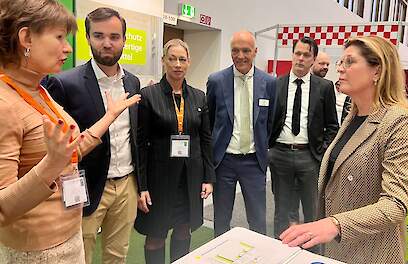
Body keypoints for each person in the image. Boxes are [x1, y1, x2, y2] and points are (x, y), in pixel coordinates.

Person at [0, 0, 139, 263]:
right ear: (26, 37)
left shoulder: (38, 91)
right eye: (60, 37)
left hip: (67, 234)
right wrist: (51, 164)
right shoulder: (5, 104)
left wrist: (108, 117)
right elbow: (3, 208)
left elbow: (68, 151)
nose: (67, 48)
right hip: (38, 250)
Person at [280, 36, 408, 264]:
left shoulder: (400, 122)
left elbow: (395, 205)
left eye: (349, 62)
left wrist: (335, 224)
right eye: (341, 62)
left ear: (377, 71)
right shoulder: (353, 116)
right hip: (338, 250)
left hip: (371, 253)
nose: (339, 68)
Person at [47, 7, 140, 264]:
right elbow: (56, 148)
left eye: (114, 36)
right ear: (87, 37)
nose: (107, 43)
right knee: (80, 256)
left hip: (126, 185)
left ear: (124, 39)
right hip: (84, 185)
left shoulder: (133, 82)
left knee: (117, 255)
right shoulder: (65, 83)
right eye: (99, 36)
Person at [134, 39, 215, 263]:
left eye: (182, 59)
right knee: (156, 236)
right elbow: (140, 144)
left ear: (189, 62)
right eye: (172, 59)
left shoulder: (199, 97)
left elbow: (205, 139)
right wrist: (142, 186)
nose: (177, 64)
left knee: (183, 230)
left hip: (189, 179)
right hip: (158, 180)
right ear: (163, 61)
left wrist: (208, 178)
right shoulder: (148, 95)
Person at [207, 30, 276, 236]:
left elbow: (270, 122)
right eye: (235, 50)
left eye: (246, 50)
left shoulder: (269, 83)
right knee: (221, 219)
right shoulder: (217, 81)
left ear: (255, 51)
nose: (240, 56)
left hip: (254, 163)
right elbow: (210, 123)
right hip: (224, 162)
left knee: (257, 220)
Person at [269, 37, 338, 240]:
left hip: (309, 156)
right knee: (281, 210)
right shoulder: (276, 84)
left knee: (312, 211)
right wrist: (269, 149)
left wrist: (320, 152)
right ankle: (280, 251)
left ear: (313, 59)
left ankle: (311, 253)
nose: (300, 58)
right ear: (292, 55)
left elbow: (332, 125)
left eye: (306, 55)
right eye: (297, 53)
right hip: (280, 154)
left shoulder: (324, 87)